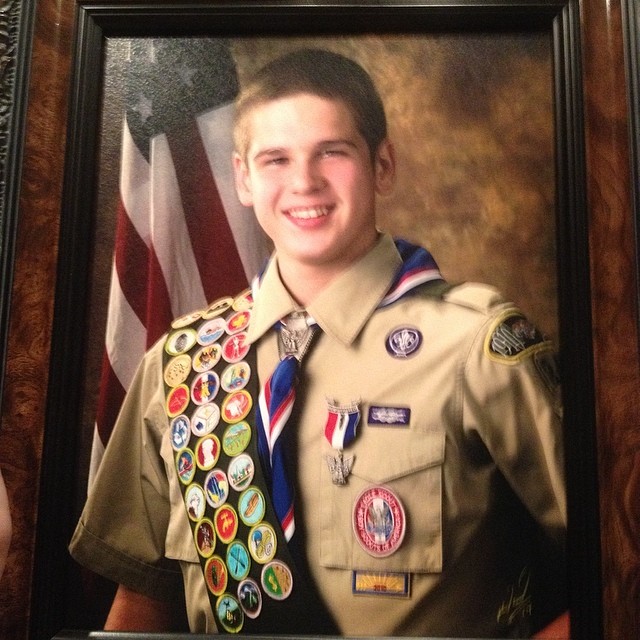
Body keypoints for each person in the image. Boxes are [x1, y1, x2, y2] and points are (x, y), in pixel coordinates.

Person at [70, 48, 569, 637]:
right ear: (243, 179)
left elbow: (616, 568)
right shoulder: (181, 365)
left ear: (382, 165)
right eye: (275, 159)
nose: (303, 181)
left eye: (332, 152)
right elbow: (142, 602)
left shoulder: (477, 346)